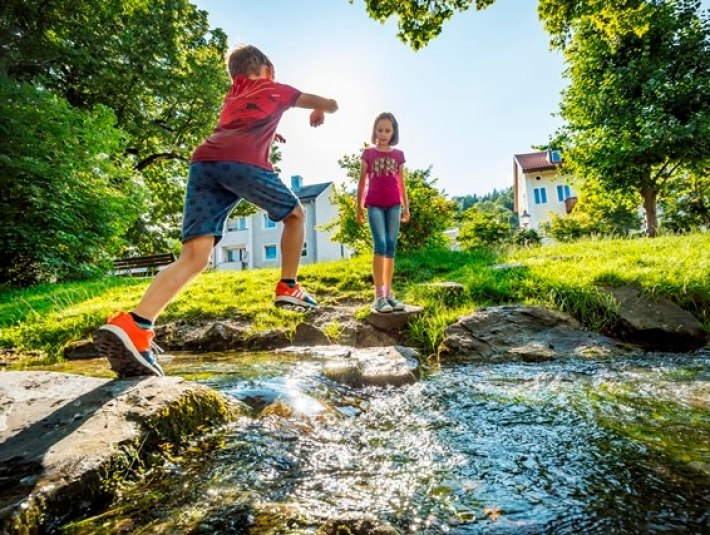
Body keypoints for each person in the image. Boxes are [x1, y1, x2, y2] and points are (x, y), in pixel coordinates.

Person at [94, 44, 338, 377]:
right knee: (295, 214)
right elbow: (331, 103)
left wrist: (271, 130)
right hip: (240, 163)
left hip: (204, 164)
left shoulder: (231, 99)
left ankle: (136, 324)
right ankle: (289, 286)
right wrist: (319, 111)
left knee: (194, 257)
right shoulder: (275, 89)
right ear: (266, 69)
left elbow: (241, 123)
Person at [356, 112, 410, 313]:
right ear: (374, 131)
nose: (384, 134)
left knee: (391, 247)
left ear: (393, 131)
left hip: (394, 205)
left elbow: (402, 183)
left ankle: (389, 294)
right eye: (380, 130)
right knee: (380, 245)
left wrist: (406, 207)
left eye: (388, 130)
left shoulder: (399, 155)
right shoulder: (368, 153)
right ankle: (378, 296)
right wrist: (358, 208)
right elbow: (362, 182)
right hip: (374, 205)